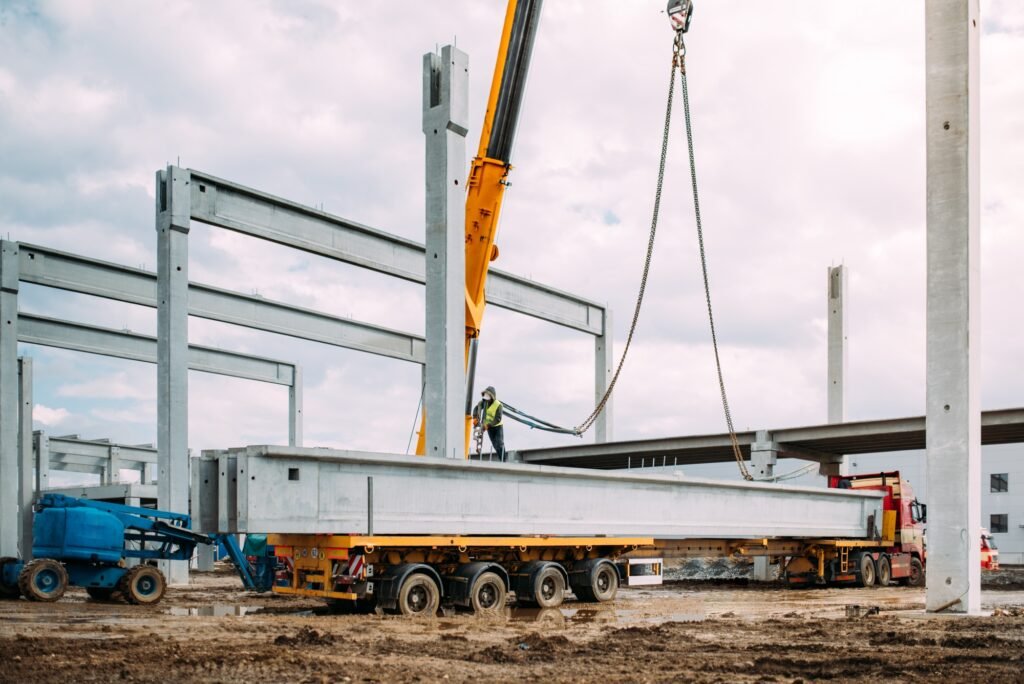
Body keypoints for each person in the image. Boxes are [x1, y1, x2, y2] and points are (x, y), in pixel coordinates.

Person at [473, 386, 506, 461]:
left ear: (492, 397)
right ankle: (500, 459)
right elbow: (477, 407)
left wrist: (488, 425)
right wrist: (475, 417)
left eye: (488, 398)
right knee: (495, 444)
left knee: (499, 443)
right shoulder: (484, 402)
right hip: (488, 427)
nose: (486, 400)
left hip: (497, 427)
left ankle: (503, 460)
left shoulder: (498, 405)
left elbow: (498, 419)